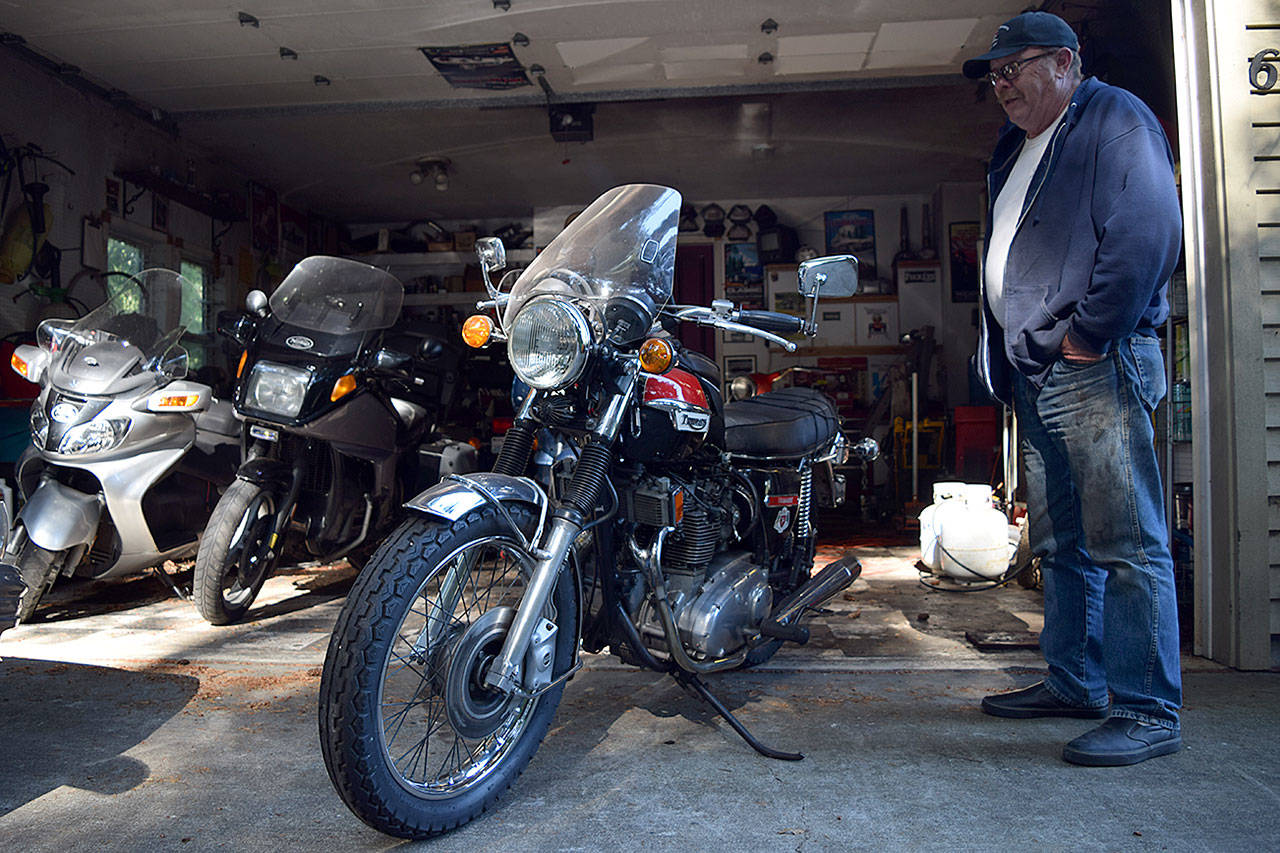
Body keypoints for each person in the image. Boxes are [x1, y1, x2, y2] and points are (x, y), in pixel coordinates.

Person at [963, 11, 1183, 766]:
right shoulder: (1022, 146)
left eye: (1013, 68)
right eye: (994, 76)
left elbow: (1149, 230)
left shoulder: (1111, 118)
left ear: (1063, 63)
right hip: (1041, 371)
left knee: (1127, 543)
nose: (1001, 86)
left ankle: (1149, 708)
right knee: (1060, 543)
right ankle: (1076, 679)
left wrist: (1088, 335)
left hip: (1094, 365)